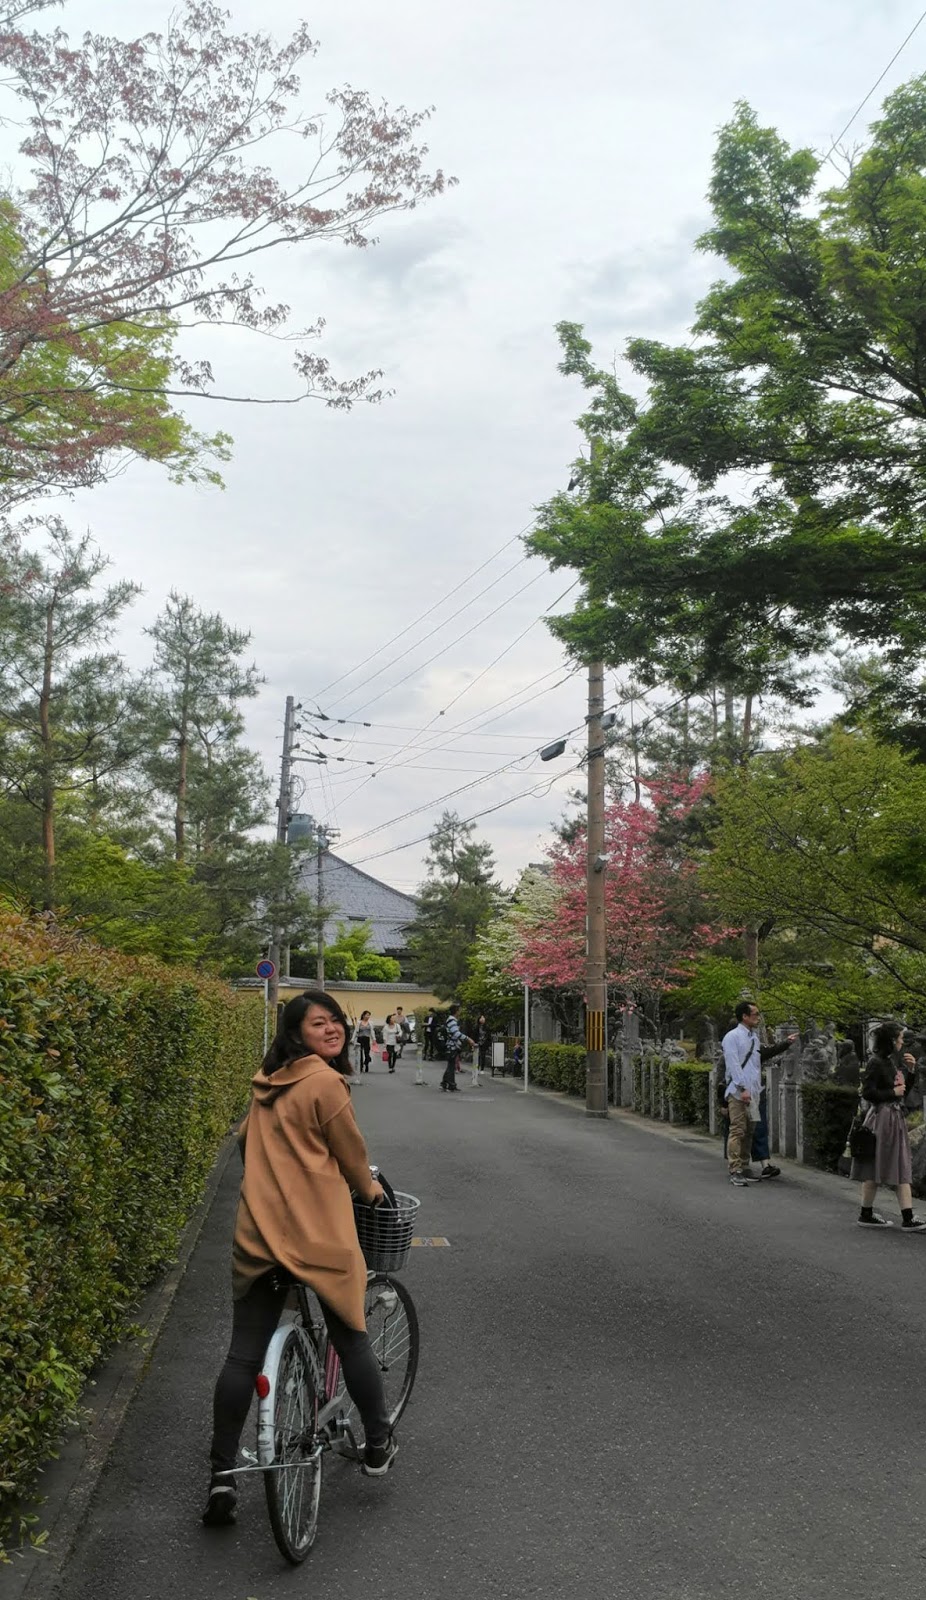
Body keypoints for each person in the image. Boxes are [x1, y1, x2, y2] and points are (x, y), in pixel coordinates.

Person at [202, 990, 397, 1528]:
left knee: (243, 1356)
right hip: (317, 1238)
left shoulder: (266, 1083)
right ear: (296, 1034)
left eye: (335, 1020)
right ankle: (378, 1444)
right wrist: (371, 1193)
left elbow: (247, 1146)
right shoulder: (324, 1083)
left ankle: (222, 1476)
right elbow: (352, 1158)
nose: (332, 1028)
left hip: (258, 1236)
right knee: (351, 1337)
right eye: (318, 1023)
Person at [852, 1020, 926, 1231]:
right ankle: (906, 1217)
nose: (903, 1042)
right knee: (895, 1163)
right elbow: (868, 1092)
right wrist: (892, 1093)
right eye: (900, 1038)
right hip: (884, 1118)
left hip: (890, 1117)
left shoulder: (888, 1061)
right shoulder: (877, 1062)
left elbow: (901, 1091)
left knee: (879, 1164)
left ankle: (868, 1213)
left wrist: (911, 1072)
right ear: (892, 1040)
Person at [722, 1000, 764, 1186]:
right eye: (755, 1014)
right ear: (744, 1016)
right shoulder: (732, 1037)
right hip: (738, 1091)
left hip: (754, 1090)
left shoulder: (754, 1038)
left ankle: (745, 1165)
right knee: (738, 1129)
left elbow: (755, 1065)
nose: (758, 1018)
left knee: (750, 1130)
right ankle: (735, 1168)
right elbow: (733, 1064)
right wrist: (742, 1087)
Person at [440, 1003, 473, 1092]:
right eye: (459, 1010)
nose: (460, 1012)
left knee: (450, 1065)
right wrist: (468, 1039)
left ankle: (445, 1083)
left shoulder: (450, 1020)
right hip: (452, 1046)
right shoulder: (452, 1021)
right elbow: (456, 1033)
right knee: (451, 1066)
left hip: (451, 1045)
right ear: (456, 1011)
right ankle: (450, 1085)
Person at [355, 1009, 373, 1074]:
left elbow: (372, 1031)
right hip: (360, 1038)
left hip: (367, 1039)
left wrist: (374, 1039)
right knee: (360, 1053)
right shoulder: (359, 1022)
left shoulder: (370, 1023)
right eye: (367, 1015)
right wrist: (353, 1039)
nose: (368, 1016)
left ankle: (366, 1064)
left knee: (367, 1053)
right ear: (363, 1015)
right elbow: (356, 1031)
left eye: (369, 1015)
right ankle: (361, 1066)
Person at [475, 1015, 491, 1083]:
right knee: (477, 1056)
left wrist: (488, 1043)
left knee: (483, 1055)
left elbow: (488, 1035)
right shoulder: (477, 1027)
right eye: (481, 1018)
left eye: (483, 1018)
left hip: (484, 1043)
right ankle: (477, 1068)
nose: (482, 1019)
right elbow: (475, 1035)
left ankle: (482, 1069)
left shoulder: (487, 1027)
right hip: (478, 1043)